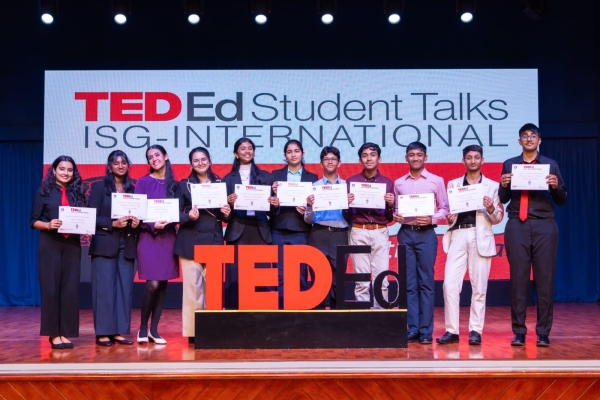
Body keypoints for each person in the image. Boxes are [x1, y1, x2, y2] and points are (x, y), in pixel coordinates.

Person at [499, 123, 567, 347]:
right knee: (518, 280)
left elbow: (562, 199)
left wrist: (556, 187)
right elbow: (503, 198)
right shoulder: (510, 164)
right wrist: (503, 185)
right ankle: (519, 331)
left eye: (533, 135)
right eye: (525, 136)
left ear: (539, 140)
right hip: (517, 225)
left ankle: (543, 333)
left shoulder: (550, 164)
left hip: (544, 225)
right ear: (519, 141)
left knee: (545, 280)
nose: (529, 139)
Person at [436, 145, 503, 346]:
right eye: (469, 157)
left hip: (480, 235)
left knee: (479, 287)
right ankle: (452, 331)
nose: (473, 161)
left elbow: (498, 218)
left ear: (482, 160)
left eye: (476, 157)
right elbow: (449, 214)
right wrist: (449, 218)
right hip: (458, 235)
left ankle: (475, 330)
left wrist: (490, 208)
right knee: (449, 285)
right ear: (463, 161)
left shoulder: (492, 186)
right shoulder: (453, 184)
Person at [393, 141, 448, 345]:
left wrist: (432, 219)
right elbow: (396, 208)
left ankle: (426, 330)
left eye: (419, 155)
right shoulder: (399, 183)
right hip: (406, 234)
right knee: (409, 284)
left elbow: (444, 208)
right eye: (411, 155)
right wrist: (396, 215)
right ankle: (413, 328)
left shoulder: (436, 181)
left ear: (425, 157)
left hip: (426, 235)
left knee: (426, 283)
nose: (415, 158)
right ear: (406, 158)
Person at [30, 155, 87, 349]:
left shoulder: (78, 192)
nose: (65, 173)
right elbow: (33, 221)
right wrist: (48, 225)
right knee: (51, 289)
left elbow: (83, 217)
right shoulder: (44, 192)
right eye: (62, 169)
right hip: (50, 244)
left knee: (70, 290)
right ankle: (53, 333)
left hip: (72, 245)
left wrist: (86, 228)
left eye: (69, 170)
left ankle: (65, 332)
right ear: (54, 170)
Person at [175, 147, 231, 343]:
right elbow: (176, 213)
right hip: (190, 241)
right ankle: (193, 332)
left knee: (213, 290)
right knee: (193, 290)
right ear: (191, 164)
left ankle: (213, 329)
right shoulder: (183, 185)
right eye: (196, 160)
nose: (200, 163)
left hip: (214, 240)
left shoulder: (221, 184)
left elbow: (226, 215)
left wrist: (227, 213)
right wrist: (188, 216)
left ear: (210, 161)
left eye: (203, 159)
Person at [87, 150, 139, 347]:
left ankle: (118, 331)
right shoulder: (99, 188)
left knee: (125, 289)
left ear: (128, 165)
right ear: (109, 167)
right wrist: (112, 224)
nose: (120, 166)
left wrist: (137, 223)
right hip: (104, 243)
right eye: (116, 163)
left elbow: (139, 216)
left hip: (127, 243)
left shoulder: (133, 189)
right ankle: (103, 332)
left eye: (123, 162)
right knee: (104, 289)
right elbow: (91, 216)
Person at [223, 138, 278, 309]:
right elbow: (224, 215)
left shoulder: (266, 177)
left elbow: (273, 211)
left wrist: (275, 204)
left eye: (250, 148)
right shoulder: (228, 179)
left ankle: (262, 316)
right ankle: (234, 314)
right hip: (237, 229)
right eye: (242, 148)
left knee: (262, 275)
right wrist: (229, 203)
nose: (247, 151)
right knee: (236, 276)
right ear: (236, 154)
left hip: (260, 229)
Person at [135, 145, 179, 345]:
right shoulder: (143, 182)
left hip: (168, 237)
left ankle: (154, 329)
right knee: (153, 283)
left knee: (162, 285)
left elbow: (179, 210)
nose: (154, 159)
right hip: (148, 237)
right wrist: (153, 224)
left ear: (166, 156)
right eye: (150, 157)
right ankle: (143, 327)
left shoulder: (174, 184)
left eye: (157, 155)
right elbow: (138, 212)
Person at [342, 143, 395, 309]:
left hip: (380, 232)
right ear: (360, 160)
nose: (369, 158)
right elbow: (347, 216)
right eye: (364, 156)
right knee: (361, 280)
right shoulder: (351, 182)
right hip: (359, 230)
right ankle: (363, 317)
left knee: (382, 280)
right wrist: (346, 204)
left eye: (372, 155)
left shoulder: (387, 183)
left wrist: (390, 205)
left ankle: (382, 318)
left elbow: (390, 218)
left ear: (379, 159)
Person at [271, 140, 318, 308]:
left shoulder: (312, 178)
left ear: (303, 154)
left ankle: (301, 309)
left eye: (296, 151)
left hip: (301, 229)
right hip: (279, 228)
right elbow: (269, 205)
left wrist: (308, 207)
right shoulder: (275, 176)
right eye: (289, 152)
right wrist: (274, 199)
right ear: (285, 155)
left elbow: (315, 207)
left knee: (300, 272)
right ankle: (281, 309)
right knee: (279, 273)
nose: (293, 154)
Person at [304, 146, 350, 309]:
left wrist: (350, 204)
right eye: (326, 159)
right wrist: (309, 206)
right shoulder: (313, 187)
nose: (330, 162)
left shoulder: (347, 186)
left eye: (333, 159)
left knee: (339, 279)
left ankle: (338, 317)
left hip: (340, 234)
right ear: (321, 163)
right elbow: (308, 220)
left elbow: (352, 216)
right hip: (319, 233)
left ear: (339, 163)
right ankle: (318, 318)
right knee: (318, 278)